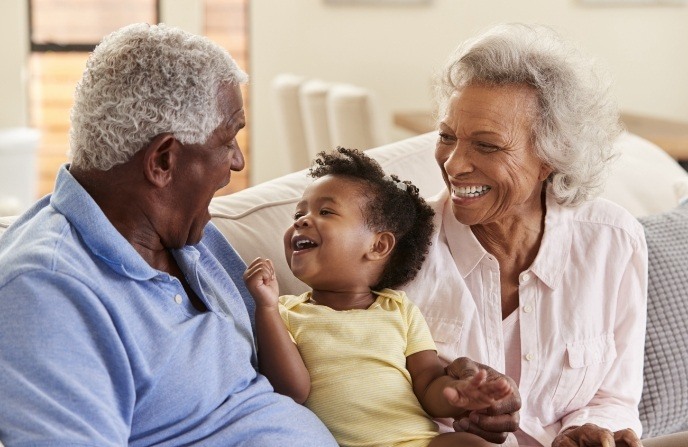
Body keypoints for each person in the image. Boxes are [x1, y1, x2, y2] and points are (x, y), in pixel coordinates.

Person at [0, 23, 337, 446]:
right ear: (163, 160)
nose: (236, 161)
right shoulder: (45, 290)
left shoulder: (187, 236)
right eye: (228, 139)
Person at [402, 23, 648, 447]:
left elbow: (615, 395)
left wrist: (586, 430)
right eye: (447, 137)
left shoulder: (613, 241)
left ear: (552, 156)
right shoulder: (400, 248)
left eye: (487, 145)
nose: (454, 165)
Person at [243, 147, 515, 447]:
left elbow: (428, 384)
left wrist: (458, 396)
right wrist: (266, 307)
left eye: (325, 212)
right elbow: (292, 390)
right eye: (299, 213)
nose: (301, 221)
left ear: (378, 246)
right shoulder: (285, 312)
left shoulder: (399, 310)